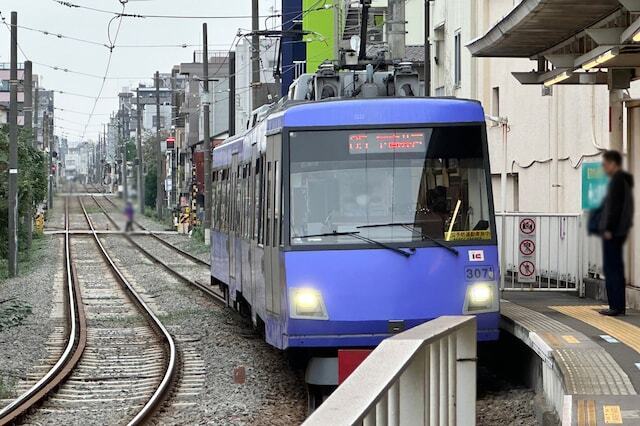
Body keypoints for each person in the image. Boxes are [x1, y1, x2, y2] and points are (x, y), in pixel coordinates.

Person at [599, 150, 634, 316]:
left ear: (613, 164)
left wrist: (608, 229)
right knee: (616, 268)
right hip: (620, 231)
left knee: (612, 268)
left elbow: (614, 208)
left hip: (613, 232)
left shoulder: (617, 181)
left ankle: (615, 306)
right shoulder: (624, 180)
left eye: (605, 164)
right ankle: (618, 305)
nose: (604, 168)